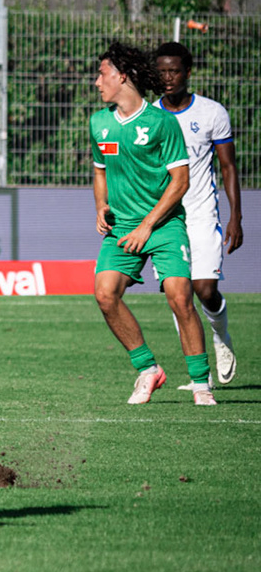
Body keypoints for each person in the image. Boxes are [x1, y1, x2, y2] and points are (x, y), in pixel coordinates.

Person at [88, 42, 214, 406]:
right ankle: (147, 369)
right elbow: (99, 171)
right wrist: (100, 205)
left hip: (164, 225)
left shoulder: (162, 123)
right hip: (122, 226)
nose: (98, 82)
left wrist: (147, 226)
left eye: (102, 74)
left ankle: (201, 384)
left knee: (180, 296)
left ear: (122, 76)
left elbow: (180, 182)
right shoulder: (100, 122)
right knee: (104, 294)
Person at [154, 41, 240, 384]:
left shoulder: (211, 113)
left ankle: (221, 336)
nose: (167, 78)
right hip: (167, 220)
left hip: (203, 216)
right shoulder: (149, 116)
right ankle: (197, 371)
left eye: (174, 71)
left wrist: (236, 217)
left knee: (204, 289)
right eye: (161, 72)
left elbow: (228, 167)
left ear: (187, 72)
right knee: (179, 294)